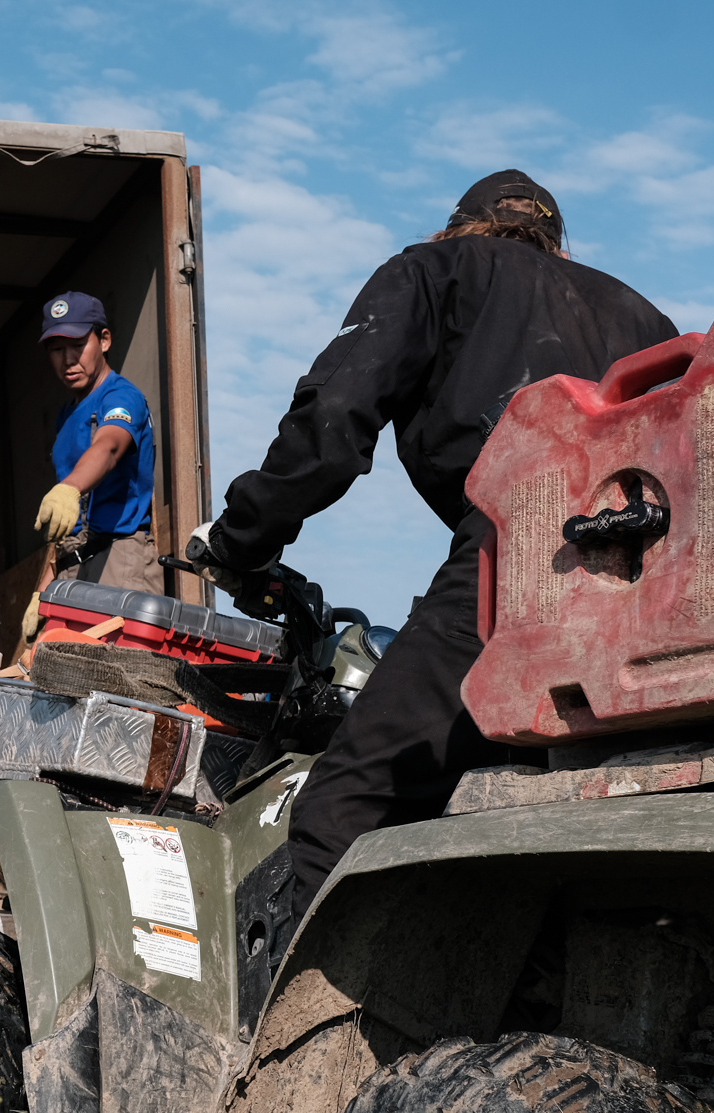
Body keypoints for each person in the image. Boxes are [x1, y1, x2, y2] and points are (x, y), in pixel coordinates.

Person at [191, 169, 679, 910]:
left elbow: (332, 423)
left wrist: (239, 539)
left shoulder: (437, 270)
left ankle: (323, 1026)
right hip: (658, 591)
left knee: (342, 814)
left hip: (529, 554)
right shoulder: (643, 316)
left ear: (459, 226)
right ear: (554, 243)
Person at [25, 291, 161, 636]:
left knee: (113, 680)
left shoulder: (121, 396)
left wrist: (68, 487)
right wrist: (44, 588)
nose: (68, 359)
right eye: (56, 349)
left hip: (117, 560)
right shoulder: (67, 415)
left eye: (77, 344)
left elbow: (109, 446)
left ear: (104, 340)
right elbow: (68, 520)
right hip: (72, 564)